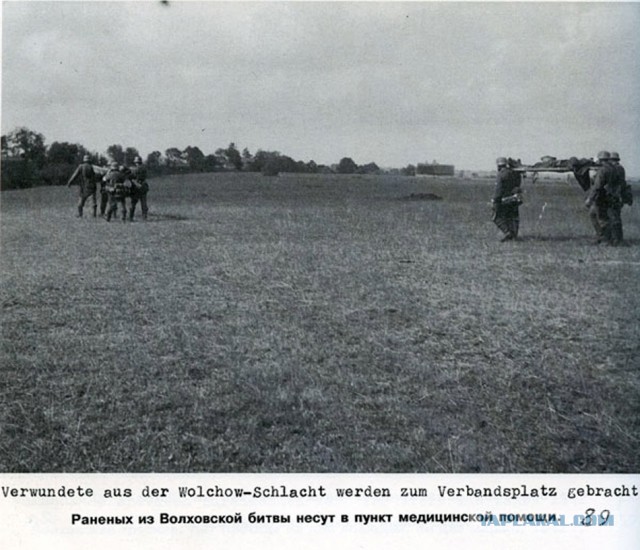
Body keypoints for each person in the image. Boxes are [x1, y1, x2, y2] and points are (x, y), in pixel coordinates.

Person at [585, 150, 622, 245]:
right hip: (614, 196)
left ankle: (605, 239)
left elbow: (597, 186)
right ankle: (609, 238)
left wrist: (590, 199)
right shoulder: (616, 169)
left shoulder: (603, 170)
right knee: (602, 216)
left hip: (603, 198)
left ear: (600, 160)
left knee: (602, 218)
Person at [492, 157, 523, 241]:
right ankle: (514, 235)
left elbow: (498, 190)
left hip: (505, 200)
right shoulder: (515, 173)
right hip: (515, 199)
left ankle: (507, 233)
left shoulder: (501, 174)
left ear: (498, 165)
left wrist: (495, 201)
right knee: (513, 217)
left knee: (496, 217)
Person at [129, 156, 149, 221]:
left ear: (136, 162)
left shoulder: (135, 169)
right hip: (143, 186)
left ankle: (131, 217)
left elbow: (131, 176)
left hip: (136, 187)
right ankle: (144, 216)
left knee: (133, 202)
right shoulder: (144, 169)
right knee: (143, 202)